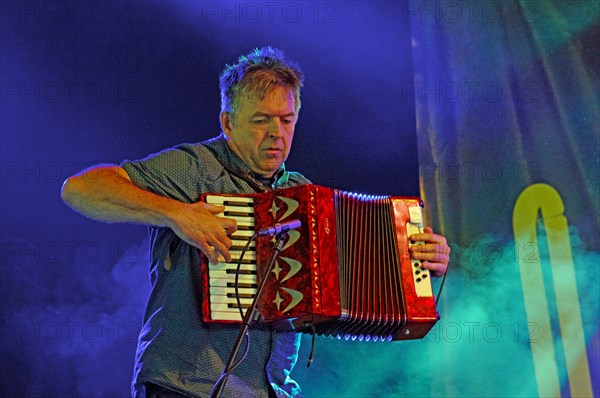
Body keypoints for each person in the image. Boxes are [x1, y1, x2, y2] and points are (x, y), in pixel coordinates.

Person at [61, 47, 450, 398]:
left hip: (271, 390)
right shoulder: (196, 168)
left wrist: (413, 262)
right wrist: (178, 214)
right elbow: (81, 190)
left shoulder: (301, 194)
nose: (276, 135)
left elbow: (349, 286)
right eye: (261, 120)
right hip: (186, 385)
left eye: (286, 120)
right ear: (228, 123)